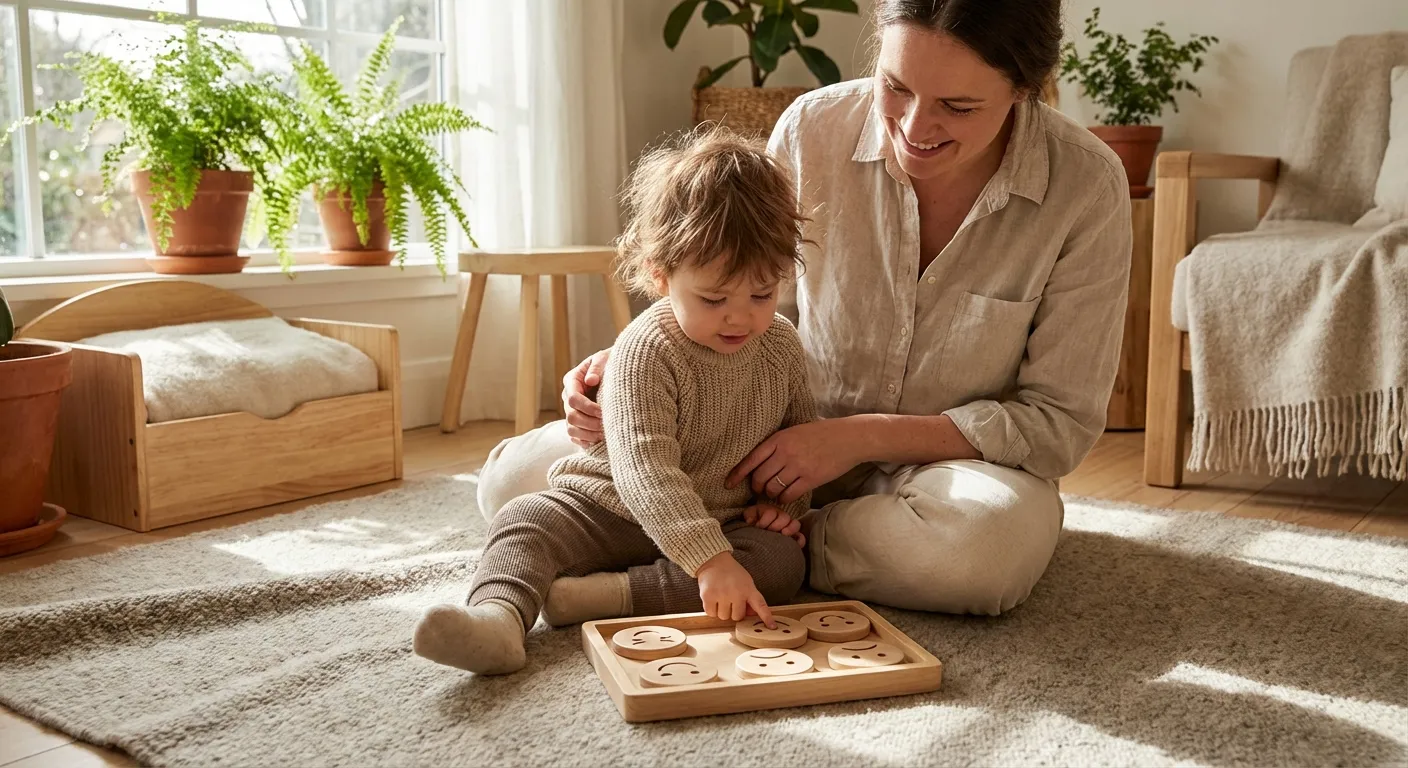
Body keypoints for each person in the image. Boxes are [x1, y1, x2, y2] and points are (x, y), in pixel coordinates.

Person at [477, 0, 1132, 617]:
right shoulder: (813, 128)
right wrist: (636, 365)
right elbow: (744, 297)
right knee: (509, 483)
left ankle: (741, 546)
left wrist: (857, 438)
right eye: (896, 86)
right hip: (752, 450)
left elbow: (1057, 423)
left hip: (943, 475)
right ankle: (742, 547)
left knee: (980, 555)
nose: (913, 127)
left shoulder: (1084, 185)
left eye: (957, 107)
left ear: (1027, 88)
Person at [413, 129, 818, 675]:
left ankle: (599, 597)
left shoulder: (782, 347)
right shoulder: (646, 350)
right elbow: (644, 470)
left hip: (724, 518)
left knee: (780, 565)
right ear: (660, 275)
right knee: (526, 518)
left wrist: (782, 511)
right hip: (614, 509)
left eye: (762, 294)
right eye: (714, 299)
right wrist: (710, 561)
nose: (740, 316)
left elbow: (798, 441)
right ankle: (497, 619)